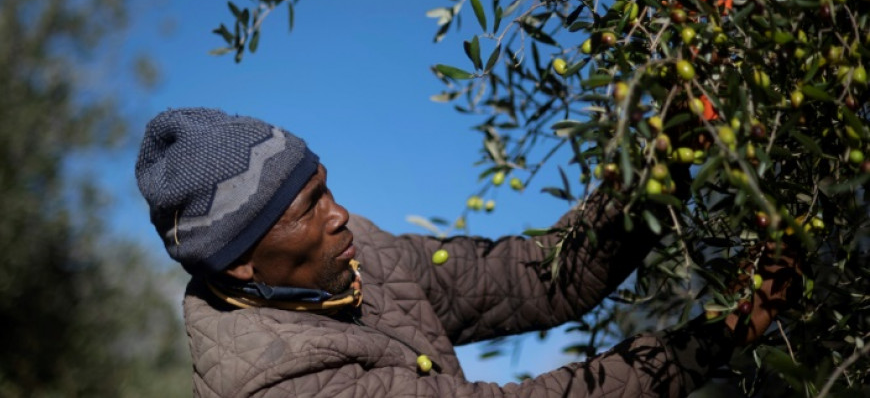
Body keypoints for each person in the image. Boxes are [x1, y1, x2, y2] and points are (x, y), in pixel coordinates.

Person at [135, 107, 796, 397]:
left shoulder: (359, 252)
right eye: (308, 209)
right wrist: (721, 335)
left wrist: (662, 157)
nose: (339, 215)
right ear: (241, 263)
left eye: (325, 186)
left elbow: (538, 277)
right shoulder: (277, 384)